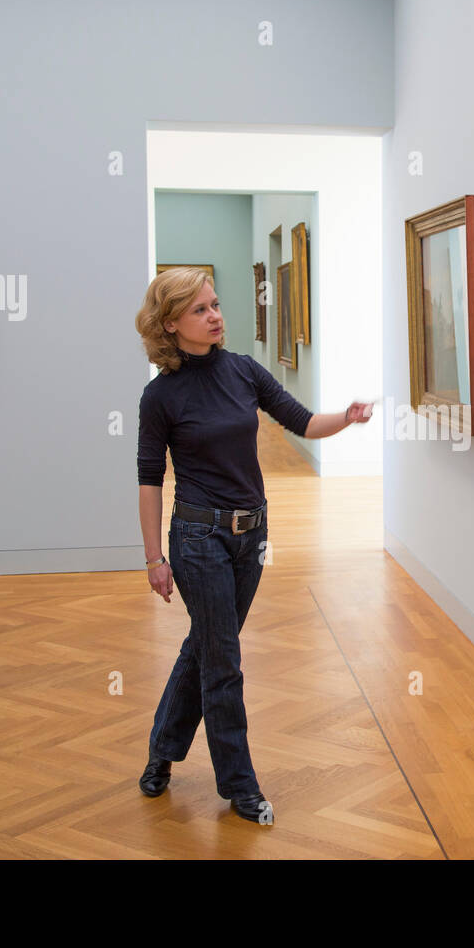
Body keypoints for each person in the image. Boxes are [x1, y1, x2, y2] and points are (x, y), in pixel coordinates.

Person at [133, 266, 371, 824]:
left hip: (253, 539)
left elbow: (302, 421)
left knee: (208, 647)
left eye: (215, 304)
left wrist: (348, 417)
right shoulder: (159, 397)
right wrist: (153, 558)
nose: (215, 316)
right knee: (225, 662)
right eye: (200, 310)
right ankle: (239, 785)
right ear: (171, 324)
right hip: (197, 538)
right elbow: (149, 478)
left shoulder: (243, 371)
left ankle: (162, 752)